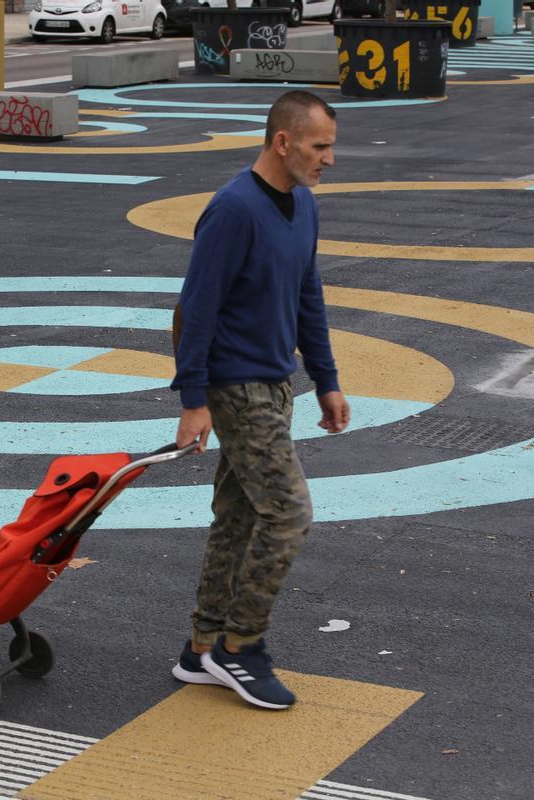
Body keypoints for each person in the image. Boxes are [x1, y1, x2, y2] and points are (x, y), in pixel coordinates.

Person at [169, 90, 350, 710]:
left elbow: (308, 295)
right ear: (283, 142)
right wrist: (194, 398)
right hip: (234, 385)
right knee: (289, 512)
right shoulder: (233, 210)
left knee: (241, 515)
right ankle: (239, 647)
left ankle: (201, 646)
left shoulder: (303, 206)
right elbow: (197, 309)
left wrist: (325, 378)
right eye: (319, 146)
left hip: (276, 382)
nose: (329, 159)